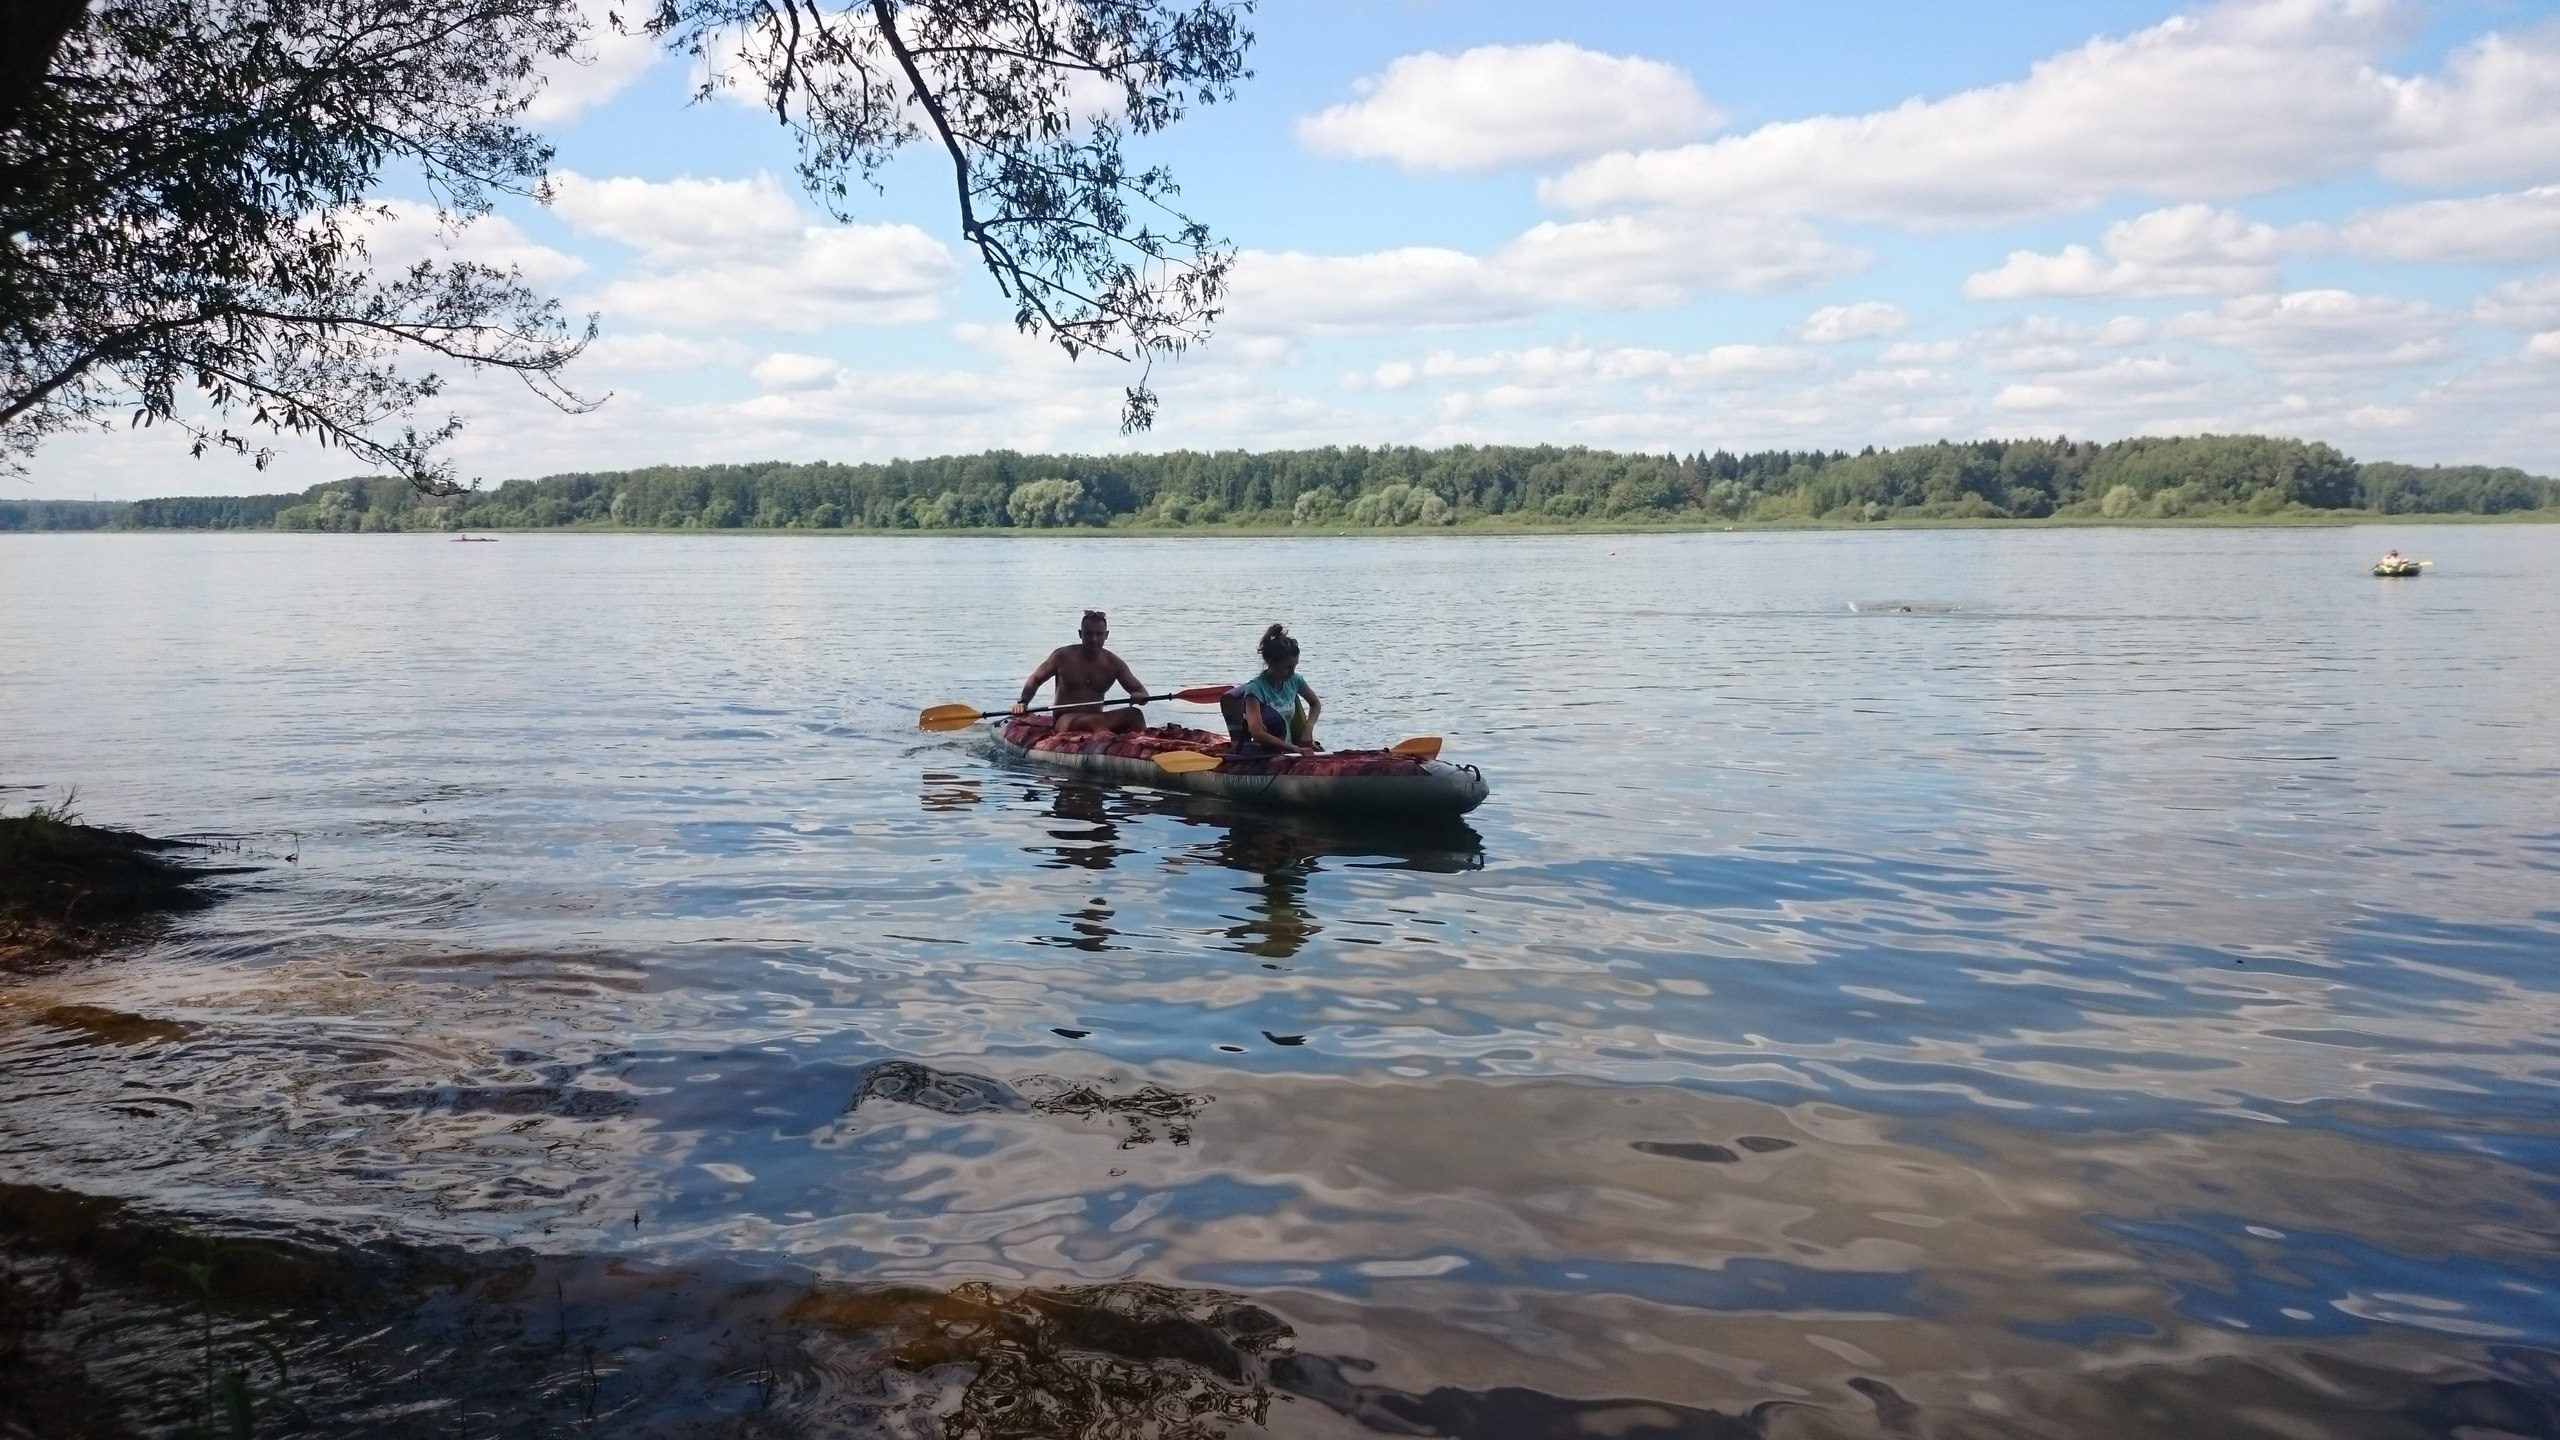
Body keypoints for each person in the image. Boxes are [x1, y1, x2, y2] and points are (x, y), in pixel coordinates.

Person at [1011, 610, 1152, 734]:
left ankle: (1144, 747)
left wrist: (1139, 695)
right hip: (1065, 720)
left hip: (1097, 719)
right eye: (1089, 634)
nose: (1094, 639)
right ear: (1080, 634)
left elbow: (1141, 691)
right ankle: (1104, 741)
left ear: (1106, 635)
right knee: (1095, 722)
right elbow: (1036, 679)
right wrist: (1023, 702)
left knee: (1136, 715)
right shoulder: (1063, 656)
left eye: (1099, 634)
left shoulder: (1113, 663)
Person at [1223, 624, 1323, 755]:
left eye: (1294, 666)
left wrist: (1308, 728)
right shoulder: (1255, 689)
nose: (1292, 672)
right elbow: (1257, 733)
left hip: (1292, 751)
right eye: (1288, 667)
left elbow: (1315, 703)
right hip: (1267, 754)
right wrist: (1294, 749)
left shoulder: (1295, 680)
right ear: (1272, 663)